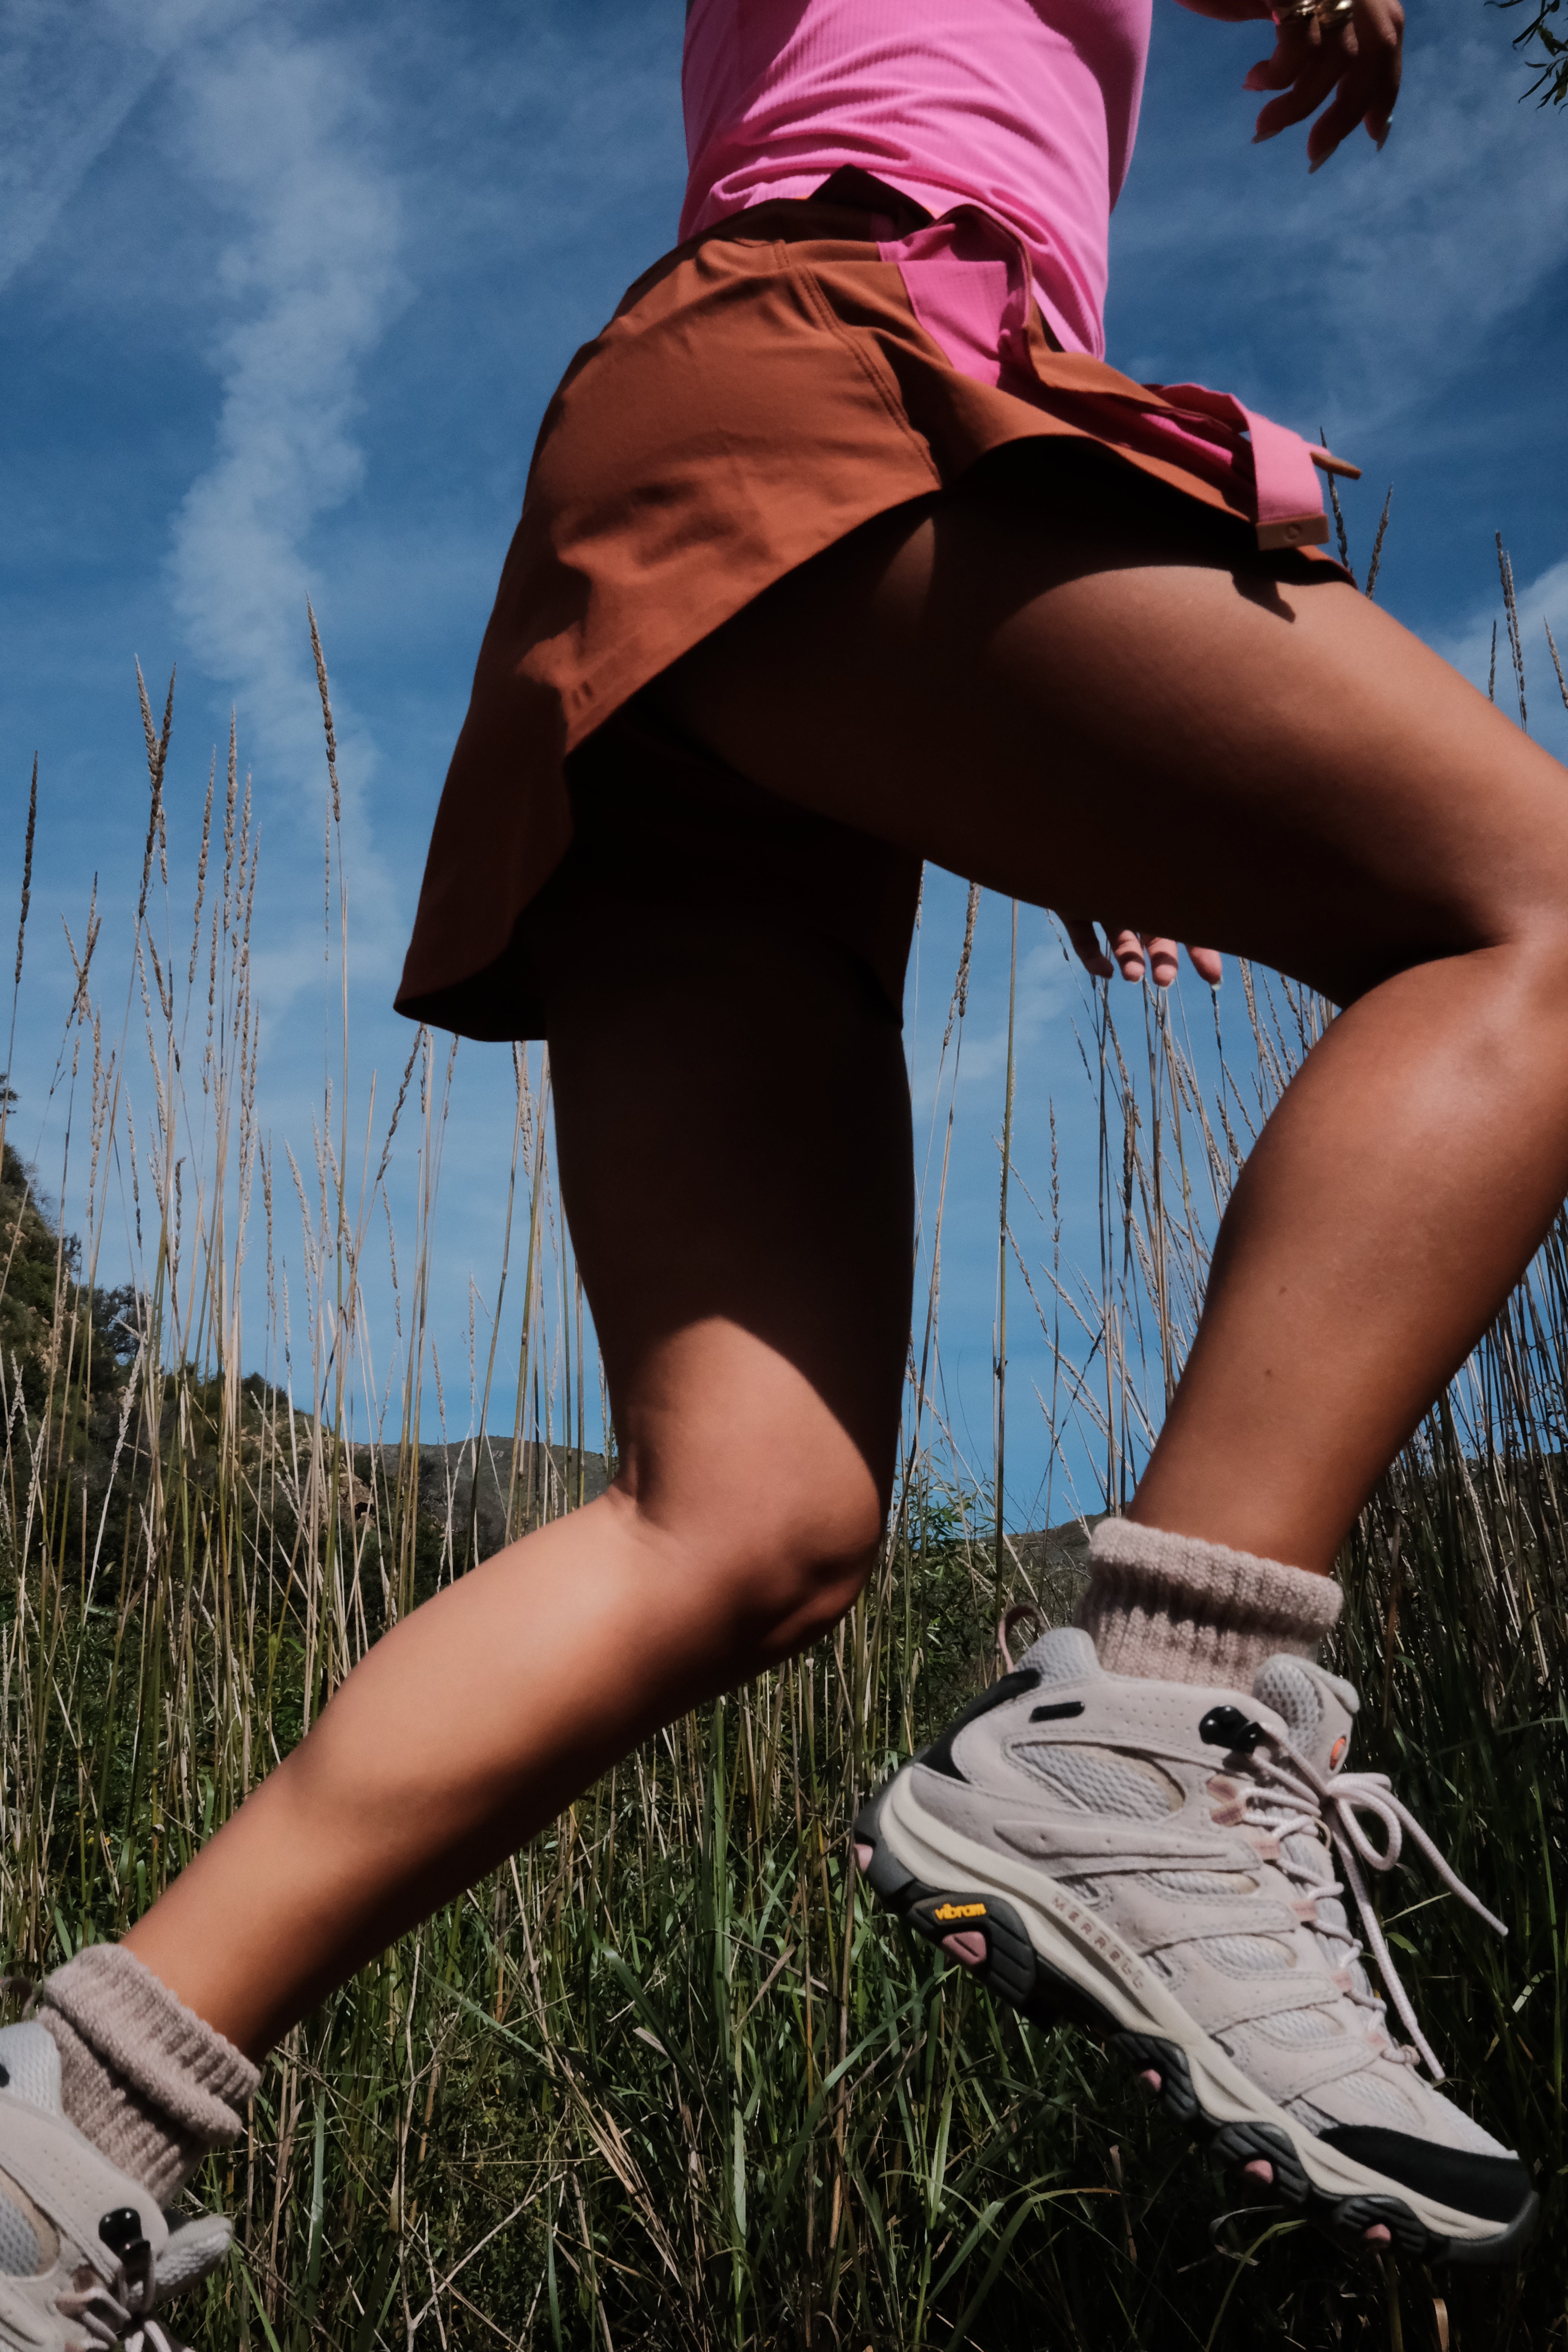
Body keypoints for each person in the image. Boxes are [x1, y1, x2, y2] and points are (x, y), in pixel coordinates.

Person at [2, 0, 1556, 2337]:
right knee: (1539, 915)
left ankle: (49, 2165)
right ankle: (1169, 1709)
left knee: (745, 1522)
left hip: (721, 532)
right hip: (830, 373)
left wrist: (1053, 763)